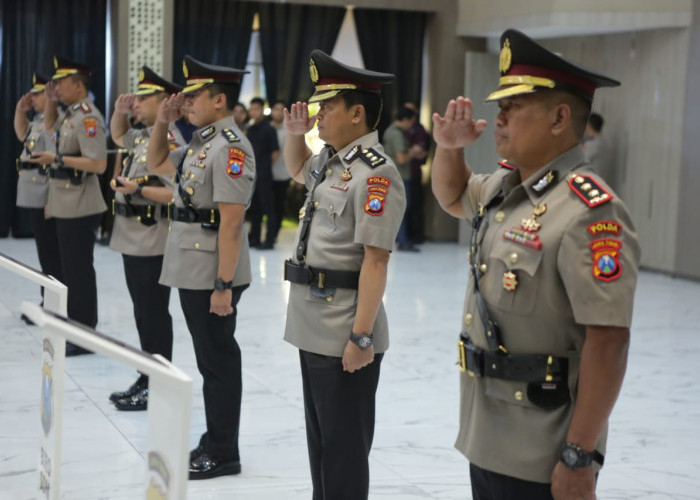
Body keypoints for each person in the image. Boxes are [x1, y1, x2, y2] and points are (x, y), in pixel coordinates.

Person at [430, 29, 641, 499]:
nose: (498, 118)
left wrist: (578, 454)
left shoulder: (589, 210)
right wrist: (449, 146)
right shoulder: (510, 190)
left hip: (542, 448)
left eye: (513, 107)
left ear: (559, 118)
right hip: (489, 431)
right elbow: (452, 195)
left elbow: (609, 341)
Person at [283, 50, 406, 500]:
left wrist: (362, 338)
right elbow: (297, 169)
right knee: (322, 446)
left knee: (344, 451)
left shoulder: (376, 175)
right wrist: (295, 134)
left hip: (344, 330)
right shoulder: (332, 161)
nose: (318, 115)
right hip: (313, 322)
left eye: (327, 106)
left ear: (357, 113)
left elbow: (376, 262)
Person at [146, 55, 255, 480]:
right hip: (195, 265)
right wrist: (162, 122)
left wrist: (224, 285)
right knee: (211, 359)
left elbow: (230, 221)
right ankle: (215, 440)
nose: (187, 102)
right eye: (186, 96)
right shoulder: (202, 140)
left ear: (220, 100)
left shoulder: (230, 147)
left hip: (213, 271)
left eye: (194, 96)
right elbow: (157, 165)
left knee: (218, 360)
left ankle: (224, 451)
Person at [107, 66, 183, 411]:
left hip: (153, 238)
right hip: (133, 237)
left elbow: (178, 194)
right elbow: (118, 136)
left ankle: (158, 381)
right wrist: (119, 113)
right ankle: (147, 374)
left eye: (142, 98)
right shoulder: (143, 135)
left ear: (163, 101)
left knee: (153, 313)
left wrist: (137, 188)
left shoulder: (169, 141)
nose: (135, 103)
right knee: (142, 312)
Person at [29, 56, 107, 356]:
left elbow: (98, 163)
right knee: (68, 269)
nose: (56, 87)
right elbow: (50, 128)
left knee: (79, 272)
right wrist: (50, 100)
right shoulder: (70, 113)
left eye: (60, 82)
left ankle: (85, 333)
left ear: (78, 84)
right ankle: (74, 325)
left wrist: (58, 159)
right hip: (65, 202)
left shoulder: (89, 116)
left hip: (81, 204)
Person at [13, 73, 63, 318]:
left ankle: (53, 304)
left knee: (51, 253)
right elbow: (23, 135)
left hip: (45, 195)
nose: (32, 98)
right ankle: (48, 300)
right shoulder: (40, 120)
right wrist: (20, 111)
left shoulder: (55, 122)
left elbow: (57, 163)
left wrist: (52, 201)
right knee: (45, 253)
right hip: (35, 194)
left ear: (50, 95)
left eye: (37, 94)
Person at [382, 105, 421, 251]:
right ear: (405, 119)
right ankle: (403, 241)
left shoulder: (390, 131)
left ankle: (401, 239)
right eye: (411, 121)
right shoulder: (397, 134)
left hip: (394, 176)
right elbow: (402, 158)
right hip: (400, 176)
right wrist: (414, 152)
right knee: (401, 209)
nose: (411, 125)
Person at [246, 96, 280, 249]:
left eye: (256, 109)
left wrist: (264, 166)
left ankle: (269, 240)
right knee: (255, 208)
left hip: (265, 174)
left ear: (262, 110)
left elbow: (275, 152)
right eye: (251, 109)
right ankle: (254, 238)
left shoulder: (269, 129)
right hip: (251, 174)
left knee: (268, 207)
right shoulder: (249, 129)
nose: (253, 112)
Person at [403, 101, 430, 243]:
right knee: (404, 206)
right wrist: (412, 153)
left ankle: (416, 236)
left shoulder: (419, 130)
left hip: (414, 173)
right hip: (402, 173)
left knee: (415, 205)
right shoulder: (399, 130)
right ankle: (404, 237)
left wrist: (411, 153)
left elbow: (421, 151)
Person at [269, 100, 291, 246]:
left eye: (280, 109)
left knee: (279, 205)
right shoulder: (266, 128)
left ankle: (275, 233)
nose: (277, 112)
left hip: (283, 174)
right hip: (267, 174)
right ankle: (269, 234)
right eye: (275, 109)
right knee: (268, 205)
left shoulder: (289, 130)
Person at [582, 112, 612, 185]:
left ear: (588, 125)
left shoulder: (592, 145)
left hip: (592, 185)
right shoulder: (604, 143)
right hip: (600, 184)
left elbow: (578, 161)